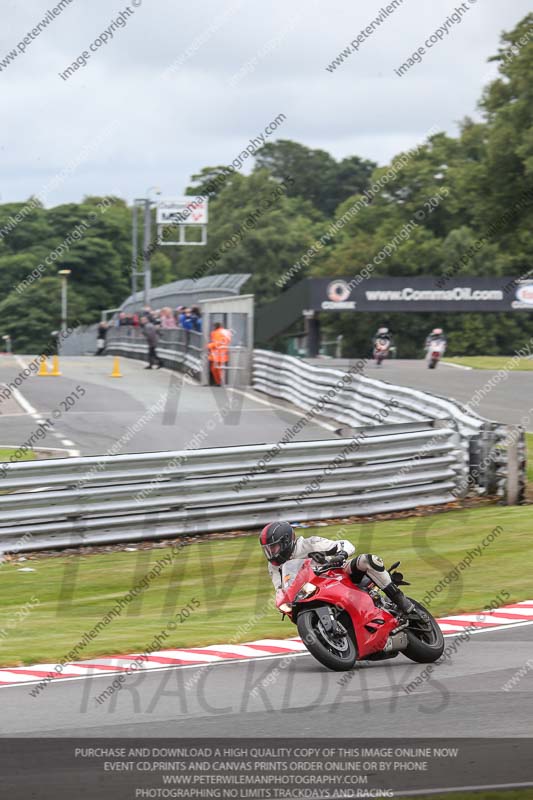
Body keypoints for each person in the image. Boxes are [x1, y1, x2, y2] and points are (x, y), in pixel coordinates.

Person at [260, 521, 413, 614]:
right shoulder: (274, 566)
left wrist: (340, 555)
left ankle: (400, 600)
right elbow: (280, 588)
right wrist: (282, 602)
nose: (271, 553)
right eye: (268, 549)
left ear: (286, 541)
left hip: (339, 575)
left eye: (274, 547)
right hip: (311, 591)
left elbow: (346, 544)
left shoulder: (310, 544)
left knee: (368, 560)